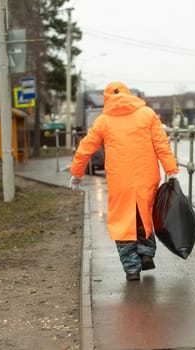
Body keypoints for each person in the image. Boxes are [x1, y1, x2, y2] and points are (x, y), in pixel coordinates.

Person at [69, 81, 179, 281]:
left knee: (123, 219)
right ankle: (146, 252)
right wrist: (171, 170)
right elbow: (161, 143)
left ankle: (131, 267)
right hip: (147, 176)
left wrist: (77, 174)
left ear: (106, 99)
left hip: (120, 179)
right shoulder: (147, 114)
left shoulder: (103, 121)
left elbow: (86, 147)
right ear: (129, 94)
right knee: (144, 214)